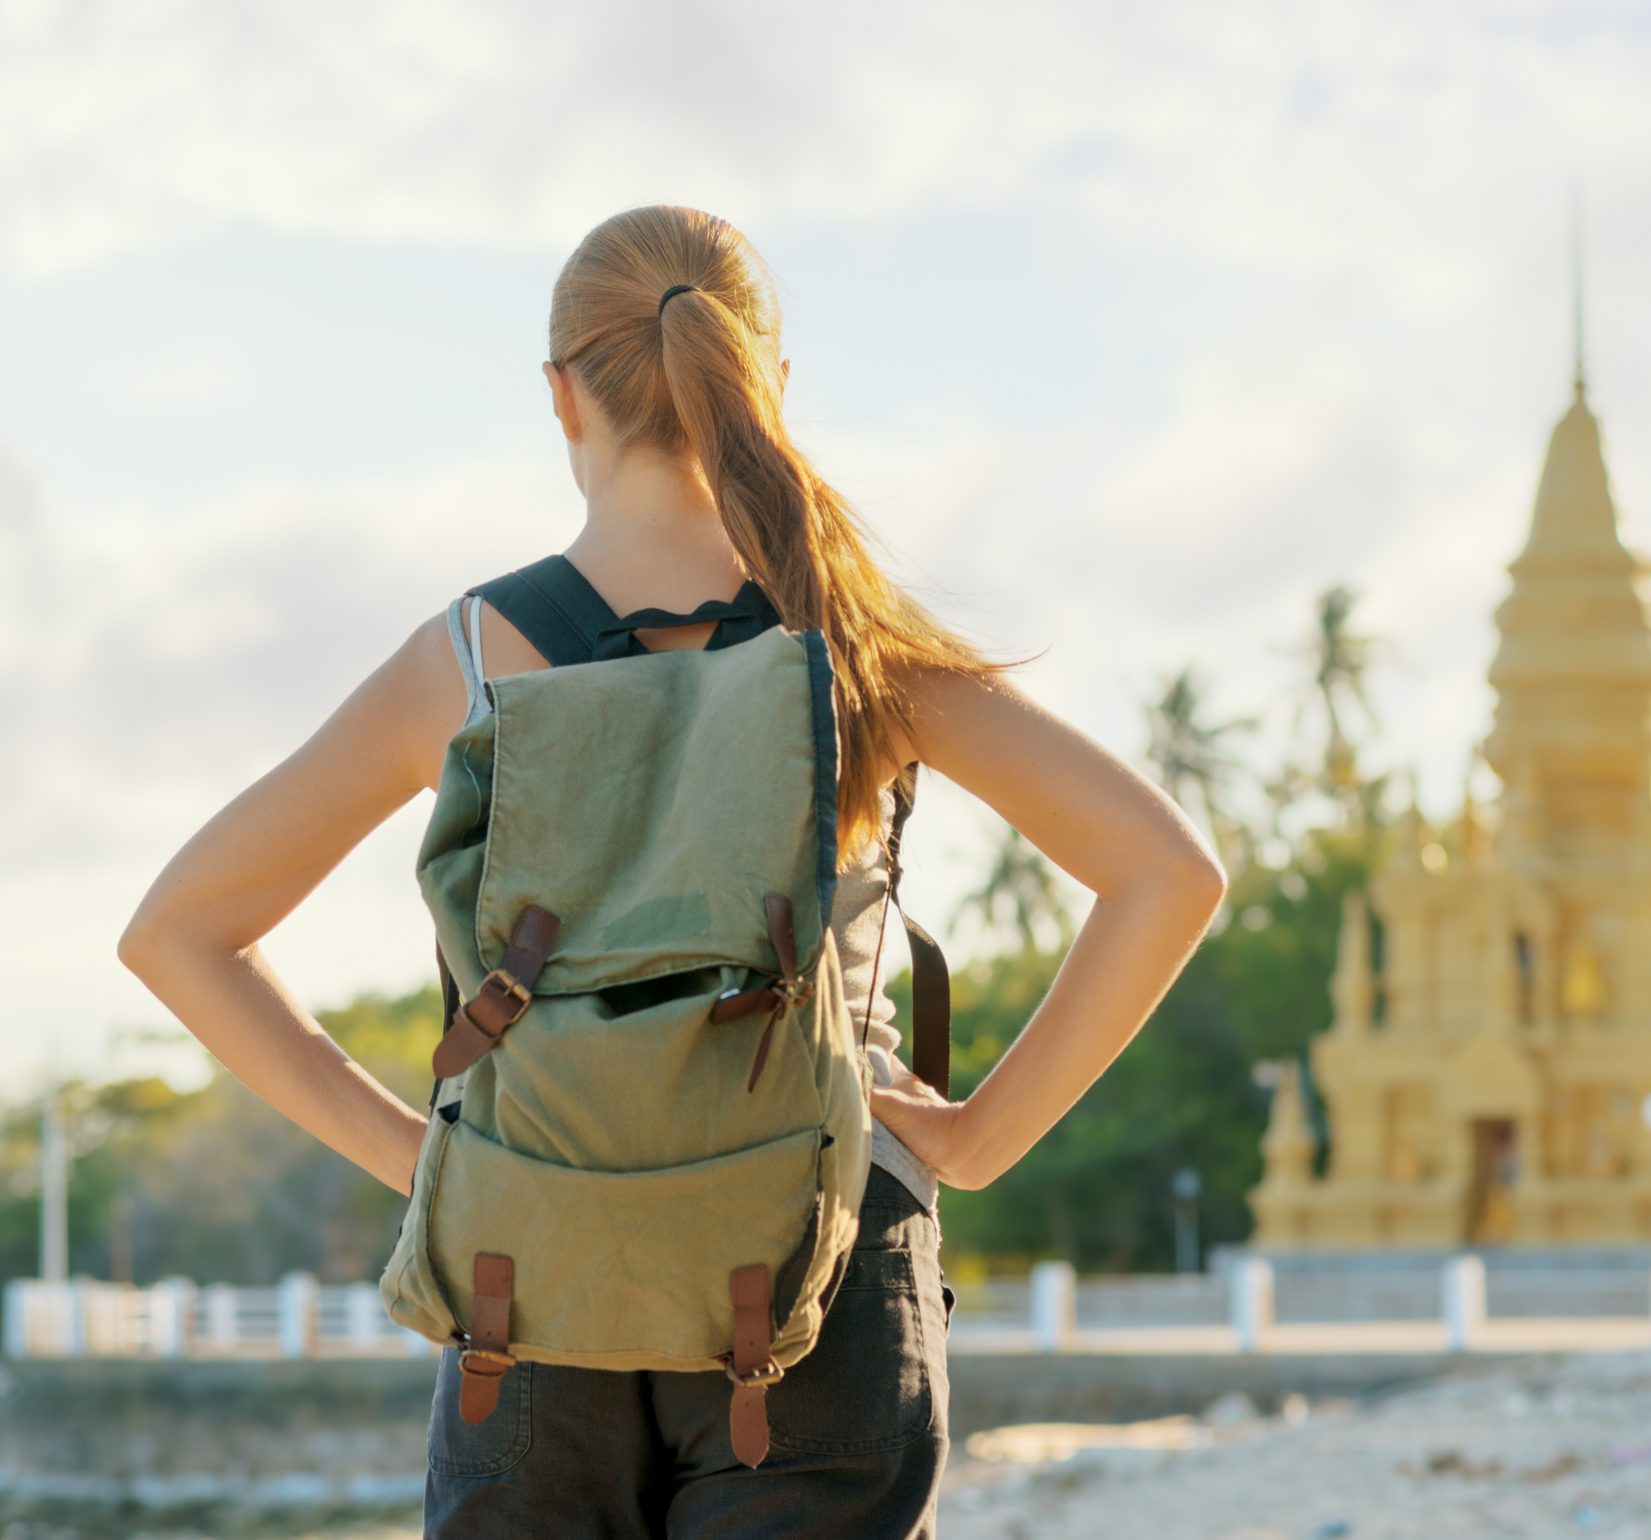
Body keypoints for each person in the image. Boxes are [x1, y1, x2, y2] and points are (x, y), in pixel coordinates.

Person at [116, 203, 1229, 1538]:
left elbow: (178, 933)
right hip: (813, 1251)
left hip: (531, 1267)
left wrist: (429, 1164)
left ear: (560, 395)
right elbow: (1170, 872)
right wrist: (979, 1140)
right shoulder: (857, 637)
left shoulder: (466, 661)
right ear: (772, 383)